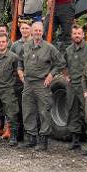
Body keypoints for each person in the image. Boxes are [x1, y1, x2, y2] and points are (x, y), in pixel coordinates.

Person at [17, 22, 65, 151]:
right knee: (28, 111)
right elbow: (20, 62)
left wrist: (51, 75)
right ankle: (31, 138)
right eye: (35, 30)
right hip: (27, 84)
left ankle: (43, 141)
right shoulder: (26, 46)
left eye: (40, 30)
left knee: (44, 112)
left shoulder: (49, 48)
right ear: (31, 32)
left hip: (41, 84)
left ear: (42, 32)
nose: (37, 32)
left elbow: (60, 63)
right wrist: (20, 71)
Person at [64, 25, 87, 150]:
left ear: (83, 35)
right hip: (72, 86)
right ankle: (75, 141)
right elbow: (63, 64)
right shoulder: (69, 50)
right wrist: (66, 75)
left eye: (79, 33)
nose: (77, 35)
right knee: (72, 111)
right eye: (74, 33)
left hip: (84, 87)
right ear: (72, 35)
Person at [9, 21, 32, 141]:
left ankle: (31, 134)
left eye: (27, 28)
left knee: (30, 109)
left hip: (32, 81)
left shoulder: (36, 43)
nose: (25, 30)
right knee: (18, 107)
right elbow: (11, 61)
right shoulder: (15, 45)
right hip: (17, 81)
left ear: (31, 29)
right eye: (23, 28)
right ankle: (18, 134)